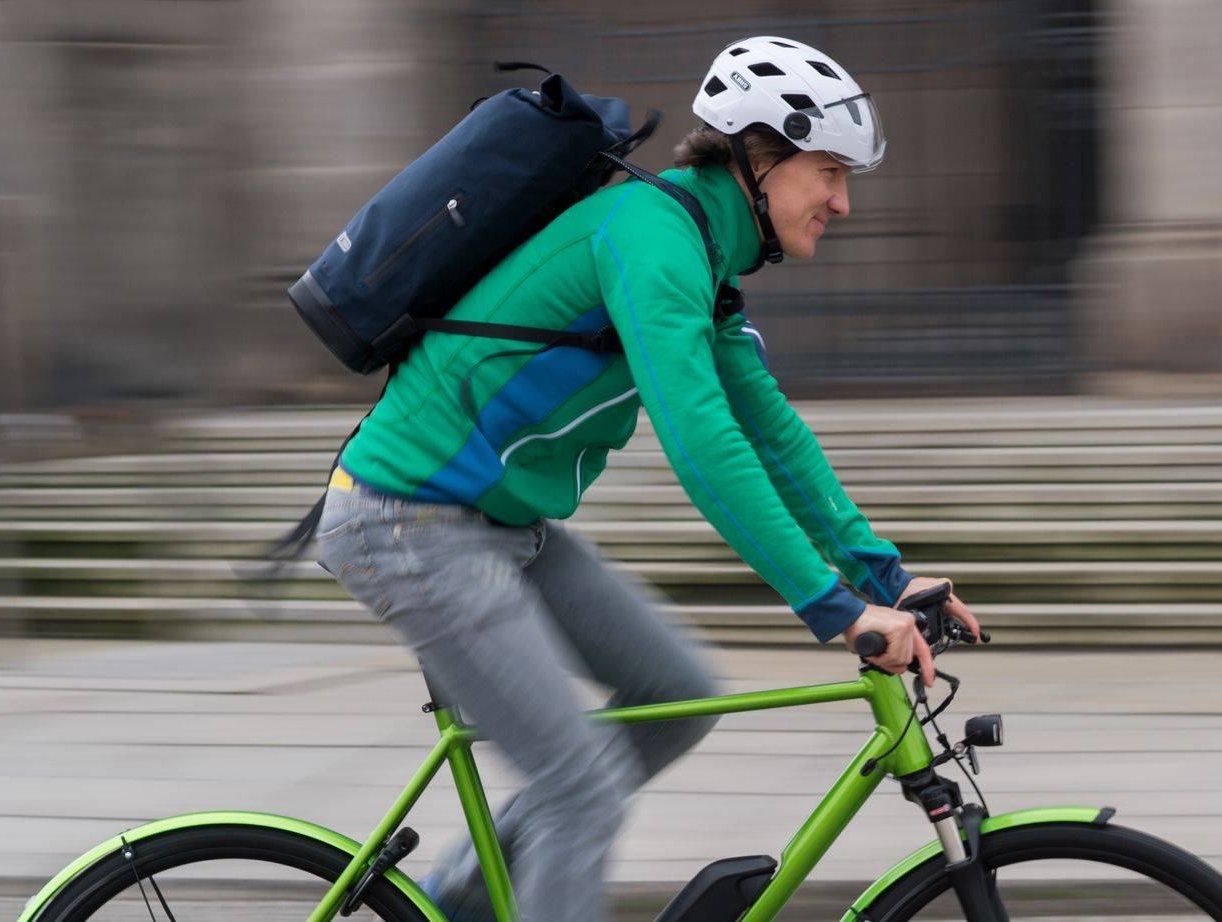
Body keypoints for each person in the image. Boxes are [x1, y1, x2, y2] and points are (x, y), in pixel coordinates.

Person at [313, 36, 982, 922]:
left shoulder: (701, 256)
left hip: (500, 528)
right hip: (408, 524)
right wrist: (834, 608)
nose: (842, 201)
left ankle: (468, 901)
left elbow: (771, 431)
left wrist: (882, 574)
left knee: (677, 697)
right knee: (580, 789)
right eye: (827, 173)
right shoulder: (653, 237)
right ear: (760, 158)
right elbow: (703, 442)